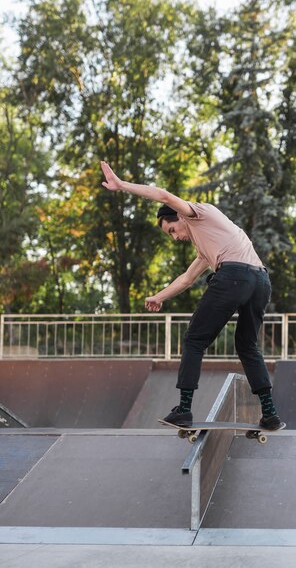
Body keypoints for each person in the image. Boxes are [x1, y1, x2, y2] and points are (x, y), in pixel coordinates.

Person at [101, 160, 281, 429]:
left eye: (172, 230)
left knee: (195, 339)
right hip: (260, 281)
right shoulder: (209, 241)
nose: (174, 237)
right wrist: (159, 296)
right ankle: (270, 414)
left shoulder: (198, 213)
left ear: (180, 217)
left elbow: (163, 195)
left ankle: (184, 410)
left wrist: (122, 185)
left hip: (233, 276)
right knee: (247, 345)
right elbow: (187, 278)